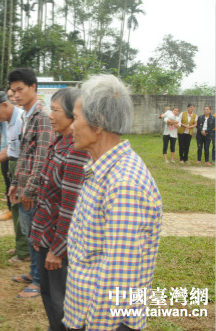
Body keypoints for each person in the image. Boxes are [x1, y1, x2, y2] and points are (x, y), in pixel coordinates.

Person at [63, 74, 162, 331]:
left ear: (98, 124)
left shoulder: (124, 185)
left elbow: (117, 278)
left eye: (76, 117)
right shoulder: (101, 169)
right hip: (84, 310)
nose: (70, 126)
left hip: (104, 322)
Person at [29, 87, 90, 331]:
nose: (50, 115)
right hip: (47, 236)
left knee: (61, 303)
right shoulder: (59, 142)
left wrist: (56, 249)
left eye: (54, 110)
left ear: (72, 115)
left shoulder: (75, 151)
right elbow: (47, 195)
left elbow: (70, 206)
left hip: (59, 245)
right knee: (50, 297)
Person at [7, 67, 55, 299]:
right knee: (28, 233)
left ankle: (39, 281)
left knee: (36, 236)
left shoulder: (43, 116)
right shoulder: (28, 114)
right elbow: (25, 153)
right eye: (13, 91)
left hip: (34, 190)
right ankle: (33, 272)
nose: (15, 95)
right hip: (25, 185)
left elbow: (43, 156)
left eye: (20, 90)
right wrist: (16, 182)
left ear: (33, 87)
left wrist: (30, 189)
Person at [0, 91, 30, 266]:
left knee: (23, 210)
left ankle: (25, 252)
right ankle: (21, 247)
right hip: (14, 164)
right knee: (16, 207)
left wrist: (20, 178)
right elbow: (11, 148)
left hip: (22, 166)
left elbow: (24, 153)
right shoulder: (10, 122)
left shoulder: (20, 120)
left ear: (5, 105)